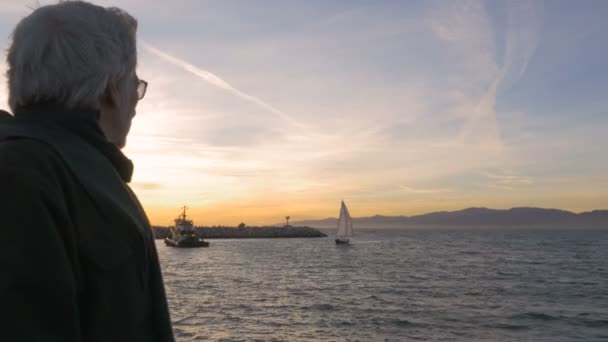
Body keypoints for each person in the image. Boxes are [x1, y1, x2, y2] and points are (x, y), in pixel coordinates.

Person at [0, 2, 174, 341]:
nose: (136, 101)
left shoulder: (76, 171)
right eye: (134, 85)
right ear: (110, 88)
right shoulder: (23, 177)